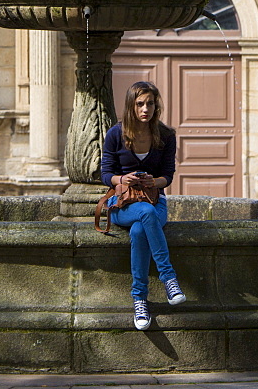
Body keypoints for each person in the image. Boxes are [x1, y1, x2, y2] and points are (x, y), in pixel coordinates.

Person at [101, 80, 186, 331]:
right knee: (145, 215)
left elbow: (168, 177)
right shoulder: (116, 134)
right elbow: (105, 173)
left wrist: (153, 180)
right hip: (122, 203)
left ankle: (139, 300)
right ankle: (169, 278)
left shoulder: (166, 135)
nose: (145, 109)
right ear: (131, 105)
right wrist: (122, 179)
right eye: (140, 104)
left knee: (140, 230)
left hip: (154, 199)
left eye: (150, 103)